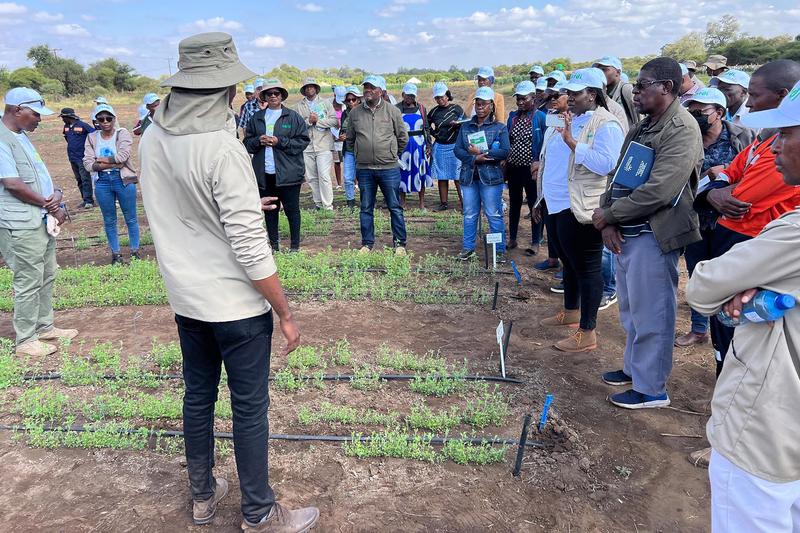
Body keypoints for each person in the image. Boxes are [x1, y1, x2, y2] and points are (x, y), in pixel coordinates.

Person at [138, 32, 317, 532]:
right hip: (237, 307)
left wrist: (236, 209)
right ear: (223, 91)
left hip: (187, 300)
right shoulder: (222, 148)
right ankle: (259, 512)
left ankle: (202, 495)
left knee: (197, 395)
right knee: (249, 410)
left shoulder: (153, 136)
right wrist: (284, 312)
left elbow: (180, 207)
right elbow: (250, 248)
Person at [685, 80, 800, 532]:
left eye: (786, 135)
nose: (773, 147)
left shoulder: (792, 233)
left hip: (766, 433)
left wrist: (748, 286)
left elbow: (704, 287)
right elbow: (721, 179)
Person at [593, 57, 703, 409]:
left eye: (641, 86)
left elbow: (660, 190)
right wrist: (609, 221)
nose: (634, 92)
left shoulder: (681, 129)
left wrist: (609, 214)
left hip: (653, 235)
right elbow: (618, 176)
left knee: (653, 312)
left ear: (666, 88)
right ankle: (634, 369)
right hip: (627, 231)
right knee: (632, 308)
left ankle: (652, 388)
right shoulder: (643, 126)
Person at [535, 68, 625, 352]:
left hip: (582, 207)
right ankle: (571, 311)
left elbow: (607, 164)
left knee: (587, 269)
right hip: (556, 202)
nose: (569, 98)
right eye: (568, 93)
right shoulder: (565, 118)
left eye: (576, 93)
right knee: (567, 262)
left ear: (593, 94)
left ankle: (587, 332)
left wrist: (574, 144)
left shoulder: (606, 124)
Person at [675, 87, 756, 348]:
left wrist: (729, 180)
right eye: (691, 110)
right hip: (695, 219)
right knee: (699, 274)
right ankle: (699, 328)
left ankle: (731, 334)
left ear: (719, 113)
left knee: (731, 280)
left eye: (701, 111)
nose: (694, 115)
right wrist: (708, 175)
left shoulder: (743, 137)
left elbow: (754, 174)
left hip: (731, 223)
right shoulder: (687, 137)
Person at [0, 87, 76, 358]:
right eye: (35, 114)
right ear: (16, 110)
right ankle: (26, 340)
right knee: (29, 279)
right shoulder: (2, 138)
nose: (39, 119)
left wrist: (56, 197)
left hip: (39, 219)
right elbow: (13, 184)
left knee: (46, 274)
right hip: (20, 223)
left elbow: (39, 176)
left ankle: (44, 327)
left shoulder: (20, 136)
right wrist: (49, 203)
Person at [244, 79, 310, 252]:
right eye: (269, 93)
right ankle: (274, 246)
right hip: (265, 174)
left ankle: (295, 246)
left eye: (276, 93)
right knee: (270, 210)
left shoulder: (292, 116)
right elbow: (247, 143)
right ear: (264, 96)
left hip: (288, 174)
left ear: (282, 96)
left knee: (292, 211)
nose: (273, 96)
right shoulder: (256, 118)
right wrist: (259, 141)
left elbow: (302, 142)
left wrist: (279, 141)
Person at [346, 75, 409, 255]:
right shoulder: (355, 113)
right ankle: (367, 244)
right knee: (366, 207)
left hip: (389, 168)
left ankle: (399, 244)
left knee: (394, 207)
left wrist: (391, 154)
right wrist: (360, 153)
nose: (367, 90)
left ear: (380, 91)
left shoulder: (392, 111)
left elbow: (403, 138)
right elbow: (350, 139)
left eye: (372, 87)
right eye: (366, 87)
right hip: (365, 169)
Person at [454, 86, 510, 262]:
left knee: (493, 213)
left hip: (491, 178)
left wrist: (483, 153)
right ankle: (468, 248)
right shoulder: (466, 127)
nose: (479, 107)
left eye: (484, 104)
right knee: (470, 213)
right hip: (469, 177)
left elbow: (505, 151)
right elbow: (458, 149)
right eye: (477, 103)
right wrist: (473, 159)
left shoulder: (499, 127)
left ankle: (499, 251)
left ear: (491, 106)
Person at [83, 104, 141, 265]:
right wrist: (112, 163)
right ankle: (116, 255)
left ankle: (135, 252)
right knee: (109, 219)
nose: (105, 121)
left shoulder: (122, 133)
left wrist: (100, 160)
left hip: (122, 180)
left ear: (114, 119)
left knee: (131, 218)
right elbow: (88, 164)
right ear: (96, 121)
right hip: (102, 182)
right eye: (101, 119)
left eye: (109, 118)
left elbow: (123, 156)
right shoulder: (92, 137)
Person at [506, 80, 546, 253]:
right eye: (518, 99)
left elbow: (545, 143)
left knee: (533, 205)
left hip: (532, 170)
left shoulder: (541, 117)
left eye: (524, 99)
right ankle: (513, 239)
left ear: (534, 98)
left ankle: (535, 242)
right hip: (514, 167)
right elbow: (509, 140)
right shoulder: (512, 117)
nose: (521, 102)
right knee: (514, 203)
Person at [534, 81, 568, 272]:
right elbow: (546, 149)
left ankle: (567, 268)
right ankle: (553, 258)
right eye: (550, 96)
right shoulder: (553, 118)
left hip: (565, 186)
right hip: (549, 182)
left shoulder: (578, 122)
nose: (551, 99)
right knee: (551, 225)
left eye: (556, 96)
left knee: (565, 231)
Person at [294, 77, 337, 210]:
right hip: (306, 146)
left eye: (311, 86)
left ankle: (327, 205)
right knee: (312, 177)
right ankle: (318, 203)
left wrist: (317, 121)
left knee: (324, 175)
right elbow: (296, 125)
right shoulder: (297, 107)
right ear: (303, 90)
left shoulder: (325, 103)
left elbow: (334, 121)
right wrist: (308, 121)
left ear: (316, 88)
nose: (309, 89)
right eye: (306, 87)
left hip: (323, 144)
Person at [428, 81, 464, 211]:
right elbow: (426, 125)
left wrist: (458, 124)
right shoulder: (434, 112)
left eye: (442, 97)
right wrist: (434, 134)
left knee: (458, 176)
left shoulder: (457, 108)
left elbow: (465, 122)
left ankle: (464, 203)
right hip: (440, 146)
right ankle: (444, 203)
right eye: (437, 98)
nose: (440, 100)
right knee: (442, 176)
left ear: (447, 96)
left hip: (455, 146)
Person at [396, 82, 432, 210]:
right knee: (403, 173)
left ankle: (421, 203)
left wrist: (429, 145)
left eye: (412, 95)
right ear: (403, 94)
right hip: (403, 146)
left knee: (420, 173)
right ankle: (403, 202)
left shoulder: (421, 108)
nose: (409, 98)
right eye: (407, 95)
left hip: (419, 146)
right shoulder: (397, 109)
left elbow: (426, 128)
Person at [60, 107, 95, 208]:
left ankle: (89, 201)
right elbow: (67, 138)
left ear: (68, 117)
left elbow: (94, 135)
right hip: (72, 157)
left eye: (63, 117)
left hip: (82, 157)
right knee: (79, 179)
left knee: (85, 179)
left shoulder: (83, 125)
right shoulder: (66, 127)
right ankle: (85, 199)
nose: (62, 119)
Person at [593, 56, 639, 128]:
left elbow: (638, 119)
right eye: (599, 71)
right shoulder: (601, 92)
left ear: (618, 72)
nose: (600, 74)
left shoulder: (626, 90)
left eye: (604, 70)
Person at [339, 85, 362, 210]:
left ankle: (367, 200)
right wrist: (341, 136)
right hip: (348, 150)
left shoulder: (365, 112)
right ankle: (350, 202)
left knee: (364, 177)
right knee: (348, 177)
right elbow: (341, 130)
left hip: (363, 150)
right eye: (348, 100)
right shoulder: (344, 114)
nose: (351, 102)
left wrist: (349, 135)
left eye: (353, 99)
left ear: (359, 99)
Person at [331, 85, 347, 190]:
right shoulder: (329, 106)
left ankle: (355, 183)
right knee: (337, 162)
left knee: (349, 160)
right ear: (334, 95)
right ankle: (339, 184)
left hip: (344, 138)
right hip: (333, 138)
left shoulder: (346, 106)